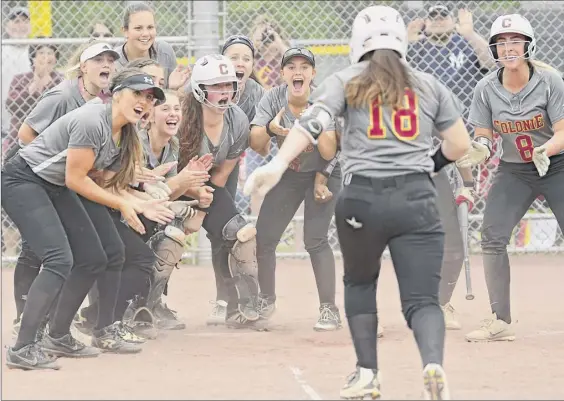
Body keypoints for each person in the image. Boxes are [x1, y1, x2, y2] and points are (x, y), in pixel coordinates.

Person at [244, 6, 472, 399]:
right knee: (421, 298)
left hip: (363, 195)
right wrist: (427, 166)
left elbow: (312, 123)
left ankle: (367, 372)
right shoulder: (429, 84)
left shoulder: (346, 79)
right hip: (417, 196)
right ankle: (432, 363)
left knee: (360, 284)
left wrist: (278, 165)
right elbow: (460, 146)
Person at [2, 67, 172, 370]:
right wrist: (123, 204)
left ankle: (57, 335)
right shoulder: (93, 120)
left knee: (94, 256)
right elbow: (76, 180)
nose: (144, 102)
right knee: (58, 259)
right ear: (116, 94)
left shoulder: (127, 134)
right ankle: (23, 346)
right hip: (24, 179)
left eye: (150, 98)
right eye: (138, 94)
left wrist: (139, 203)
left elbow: (103, 179)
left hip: (52, 184)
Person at [456, 14, 564, 342]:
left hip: (557, 164)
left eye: (515, 41)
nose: (509, 48)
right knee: (492, 236)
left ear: (528, 45)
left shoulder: (550, 80)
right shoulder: (486, 87)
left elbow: (562, 131)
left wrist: (546, 148)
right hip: (515, 169)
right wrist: (481, 147)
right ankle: (500, 319)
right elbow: (485, 133)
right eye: (501, 43)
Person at [8, 40, 121, 337]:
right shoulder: (63, 95)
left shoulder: (108, 103)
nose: (106, 65)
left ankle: (56, 327)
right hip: (31, 171)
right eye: (98, 60)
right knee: (39, 249)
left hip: (62, 179)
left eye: (111, 60)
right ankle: (26, 319)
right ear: (83, 67)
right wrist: (51, 166)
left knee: (79, 252)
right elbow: (26, 134)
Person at [249, 47, 342, 331]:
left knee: (315, 239)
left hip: (324, 172)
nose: (298, 72)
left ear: (313, 73)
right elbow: (255, 142)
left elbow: (330, 151)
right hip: (289, 173)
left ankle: (329, 309)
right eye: (291, 67)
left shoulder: (323, 100)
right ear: (283, 73)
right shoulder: (274, 98)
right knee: (264, 237)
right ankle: (266, 300)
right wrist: (273, 130)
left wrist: (307, 134)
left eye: (305, 67)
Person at [176, 54, 261, 329]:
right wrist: (191, 203)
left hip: (209, 185)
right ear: (200, 89)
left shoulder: (237, 120)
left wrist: (203, 207)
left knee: (238, 233)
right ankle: (146, 305)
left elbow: (222, 175)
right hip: (170, 185)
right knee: (166, 241)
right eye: (217, 86)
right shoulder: (179, 116)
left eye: (228, 85)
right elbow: (167, 170)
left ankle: (243, 304)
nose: (225, 92)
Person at [203, 35, 266, 324]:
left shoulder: (255, 93)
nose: (240, 63)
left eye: (246, 58)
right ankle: (222, 297)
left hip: (228, 163)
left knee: (230, 232)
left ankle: (237, 300)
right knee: (216, 233)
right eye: (233, 57)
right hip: (196, 166)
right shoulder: (202, 89)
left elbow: (260, 143)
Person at [406, 4, 495, 111]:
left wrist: (470, 34)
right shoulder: (417, 46)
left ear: (453, 22)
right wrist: (407, 41)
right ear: (425, 23)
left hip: (465, 112)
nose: (438, 21)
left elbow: (491, 62)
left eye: (443, 17)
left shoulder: (466, 42)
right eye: (433, 17)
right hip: (427, 111)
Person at [4, 38, 63, 157]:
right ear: (33, 58)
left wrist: (48, 82)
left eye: (50, 53)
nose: (45, 57)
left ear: (55, 59)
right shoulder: (20, 79)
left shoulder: (61, 80)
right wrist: (35, 84)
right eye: (41, 53)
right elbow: (12, 105)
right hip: (18, 136)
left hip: (50, 137)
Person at [114, 1, 190, 91]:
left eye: (150, 27)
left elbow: (175, 97)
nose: (146, 33)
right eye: (138, 28)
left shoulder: (164, 52)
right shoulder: (114, 61)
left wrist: (173, 89)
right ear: (125, 31)